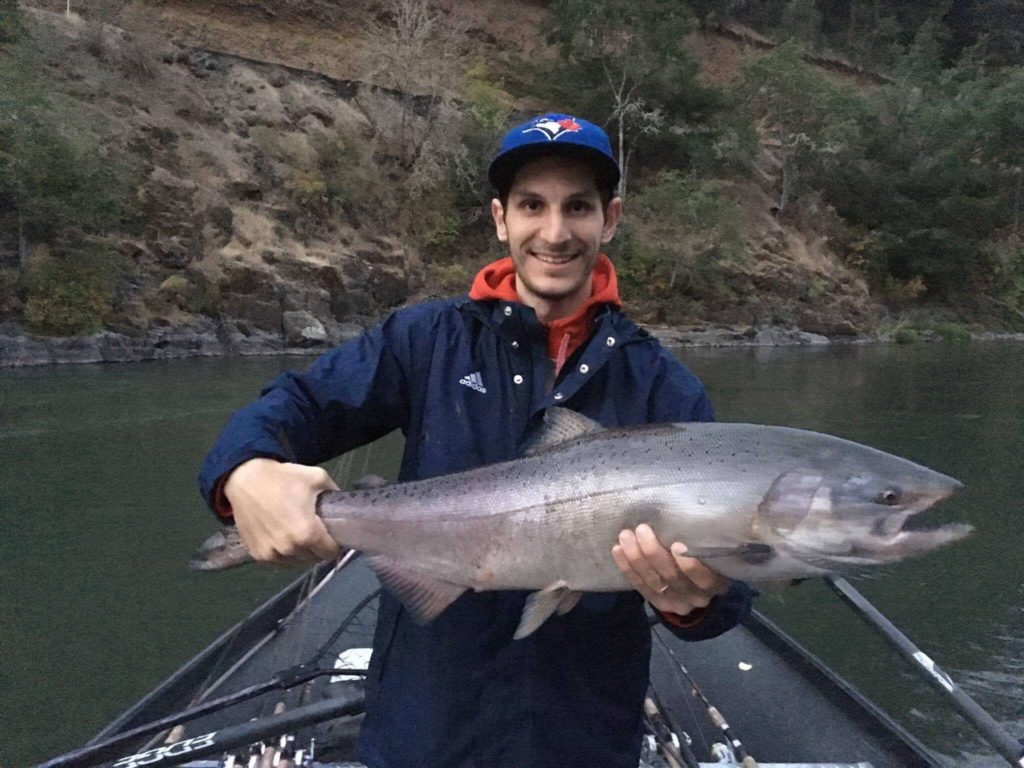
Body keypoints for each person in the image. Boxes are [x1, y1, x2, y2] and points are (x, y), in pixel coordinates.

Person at [199, 113, 754, 768]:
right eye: (532, 206)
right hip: (422, 736)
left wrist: (697, 599)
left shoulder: (668, 388)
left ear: (610, 219)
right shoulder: (425, 340)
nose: (555, 231)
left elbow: (729, 598)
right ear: (500, 219)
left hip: (582, 744)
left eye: (577, 206)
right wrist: (244, 471)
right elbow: (296, 405)